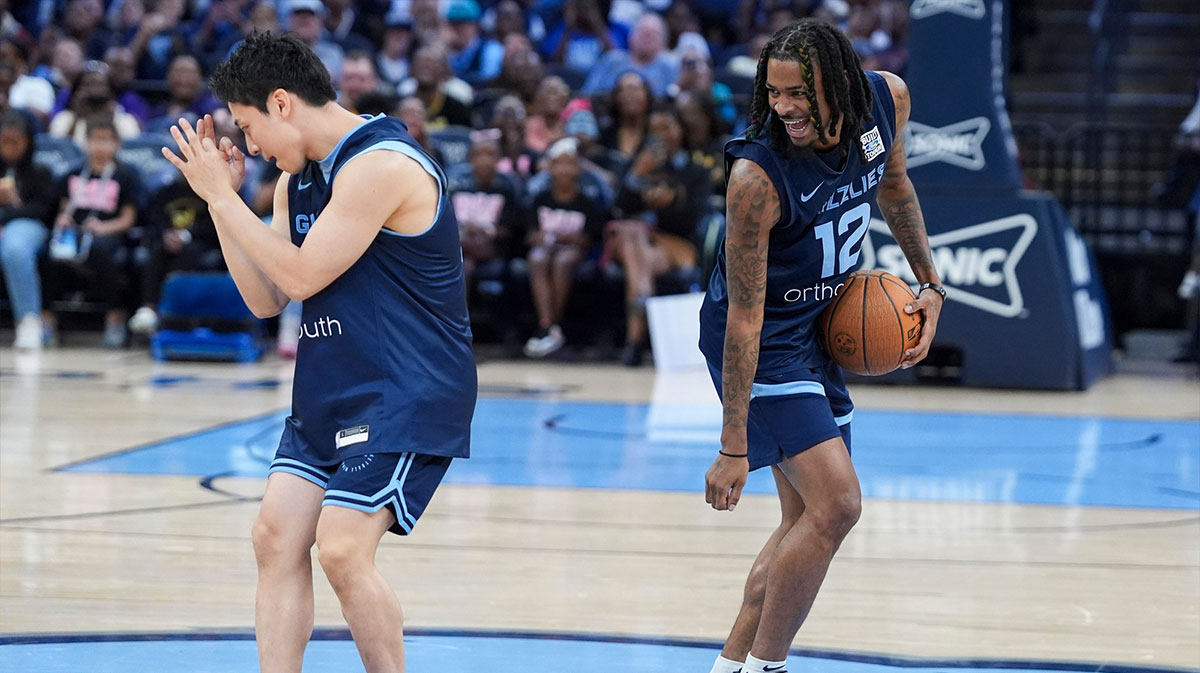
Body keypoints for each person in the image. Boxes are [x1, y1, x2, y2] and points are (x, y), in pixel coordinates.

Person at [160, 32, 476, 673]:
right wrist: (220, 205)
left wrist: (222, 196)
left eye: (249, 128)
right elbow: (266, 299)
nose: (250, 147)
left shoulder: (382, 164)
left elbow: (303, 277)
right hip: (331, 388)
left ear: (282, 104)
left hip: (405, 389)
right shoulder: (291, 182)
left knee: (340, 547)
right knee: (275, 536)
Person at [697, 19, 944, 673]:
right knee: (839, 506)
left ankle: (731, 665)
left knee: (804, 520)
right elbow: (744, 322)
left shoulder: (886, 99)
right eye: (772, 94)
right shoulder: (756, 177)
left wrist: (929, 283)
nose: (782, 109)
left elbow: (893, 185)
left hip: (819, 328)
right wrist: (731, 446)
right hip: (762, 340)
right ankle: (770, 666)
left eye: (795, 94)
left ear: (835, 82)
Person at [44, 116, 141, 347]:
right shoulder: (74, 172)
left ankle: (115, 314)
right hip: (75, 232)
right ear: (85, 142)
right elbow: (64, 207)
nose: (99, 146)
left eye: (106, 140)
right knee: (47, 251)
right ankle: (46, 317)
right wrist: (63, 218)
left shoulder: (126, 175)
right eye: (94, 140)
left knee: (100, 251)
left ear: (116, 144)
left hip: (109, 232)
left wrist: (103, 228)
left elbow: (128, 219)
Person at [523, 137, 611, 358]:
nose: (564, 169)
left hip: (575, 255)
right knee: (538, 258)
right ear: (550, 168)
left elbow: (587, 240)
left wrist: (557, 238)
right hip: (548, 250)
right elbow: (532, 235)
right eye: (559, 163)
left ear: (578, 168)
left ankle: (553, 326)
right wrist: (558, 238)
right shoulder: (540, 198)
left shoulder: (586, 201)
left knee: (563, 260)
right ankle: (547, 326)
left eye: (569, 163)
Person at [0, 111, 58, 349]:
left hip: (28, 227)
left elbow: (44, 210)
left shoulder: (40, 171)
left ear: (28, 142)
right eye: (4, 141)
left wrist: (11, 208)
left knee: (14, 247)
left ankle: (28, 321)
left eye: (16, 142)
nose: (9, 147)